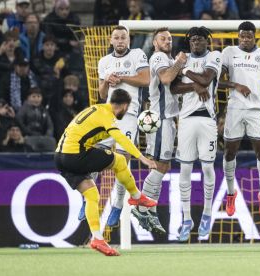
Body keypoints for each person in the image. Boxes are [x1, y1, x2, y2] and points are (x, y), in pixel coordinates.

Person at [55, 88, 157, 256]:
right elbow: (121, 139)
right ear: (124, 106)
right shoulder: (107, 116)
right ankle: (137, 197)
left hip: (60, 157)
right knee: (119, 160)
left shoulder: (94, 109)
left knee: (92, 195)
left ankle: (97, 239)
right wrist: (143, 158)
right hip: (75, 155)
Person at [219, 21, 260, 219]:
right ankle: (230, 193)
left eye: (249, 36)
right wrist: (235, 85)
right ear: (238, 36)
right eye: (242, 36)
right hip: (235, 109)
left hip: (256, 110)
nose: (245, 40)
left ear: (255, 37)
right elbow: (216, 81)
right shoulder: (228, 52)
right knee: (229, 152)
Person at [92, 25, 150, 228]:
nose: (120, 41)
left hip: (129, 114)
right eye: (116, 37)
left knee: (122, 163)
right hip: (109, 114)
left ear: (129, 40)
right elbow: (101, 94)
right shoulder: (104, 62)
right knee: (93, 157)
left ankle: (117, 205)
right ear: (111, 40)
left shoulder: (137, 55)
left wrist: (122, 77)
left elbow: (145, 79)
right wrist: (107, 81)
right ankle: (87, 200)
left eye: (123, 37)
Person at [131, 27, 186, 235]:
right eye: (162, 38)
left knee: (163, 165)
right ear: (154, 43)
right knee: (160, 165)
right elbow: (165, 79)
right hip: (160, 118)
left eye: (170, 38)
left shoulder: (168, 59)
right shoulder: (158, 58)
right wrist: (180, 62)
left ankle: (147, 208)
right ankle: (143, 208)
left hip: (167, 119)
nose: (167, 41)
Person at [170, 26, 222, 241]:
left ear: (206, 41)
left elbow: (207, 80)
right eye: (192, 41)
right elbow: (173, 88)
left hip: (208, 119)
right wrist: (194, 86)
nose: (196, 44)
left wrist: (184, 72)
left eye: (199, 40)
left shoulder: (215, 56)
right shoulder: (182, 58)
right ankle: (187, 219)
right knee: (185, 168)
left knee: (208, 166)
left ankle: (207, 214)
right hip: (187, 119)